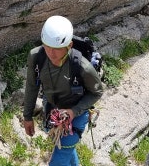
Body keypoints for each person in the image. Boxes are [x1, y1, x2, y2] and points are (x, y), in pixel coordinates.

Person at [22, 16, 104, 166]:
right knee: (67, 149)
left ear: (69, 45)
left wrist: (74, 111)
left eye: (57, 48)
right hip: (53, 112)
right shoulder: (36, 57)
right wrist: (27, 116)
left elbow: (97, 92)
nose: (51, 53)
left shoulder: (82, 67)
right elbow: (32, 86)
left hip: (77, 115)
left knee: (59, 159)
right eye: (47, 46)